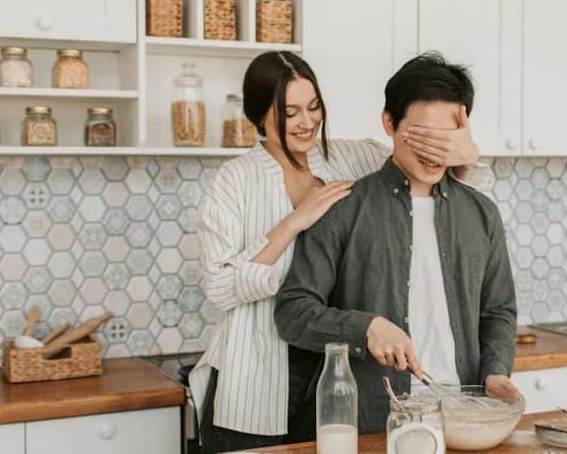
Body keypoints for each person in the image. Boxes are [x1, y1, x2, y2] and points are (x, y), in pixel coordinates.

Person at [189, 51, 491, 453]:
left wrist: (469, 156)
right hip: (255, 375)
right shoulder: (235, 181)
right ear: (259, 115)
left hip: (328, 377)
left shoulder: (351, 157)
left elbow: (419, 165)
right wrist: (294, 222)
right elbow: (220, 287)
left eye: (314, 107)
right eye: (290, 111)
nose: (307, 121)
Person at [275, 53, 519, 435]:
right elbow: (292, 313)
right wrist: (365, 327)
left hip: (465, 420)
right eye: (422, 134)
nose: (434, 149)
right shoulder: (344, 208)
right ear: (389, 123)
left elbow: (498, 312)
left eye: (447, 136)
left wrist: (496, 372)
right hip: (372, 423)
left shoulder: (482, 213)